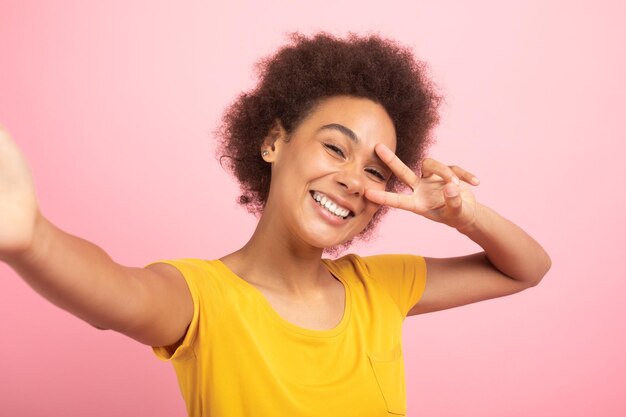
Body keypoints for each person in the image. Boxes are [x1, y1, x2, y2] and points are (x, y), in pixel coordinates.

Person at [0, 33, 551, 416]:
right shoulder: (204, 299)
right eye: (335, 147)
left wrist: (463, 214)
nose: (353, 180)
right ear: (272, 142)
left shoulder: (379, 288)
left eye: (376, 171)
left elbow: (527, 269)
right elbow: (116, 292)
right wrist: (32, 238)